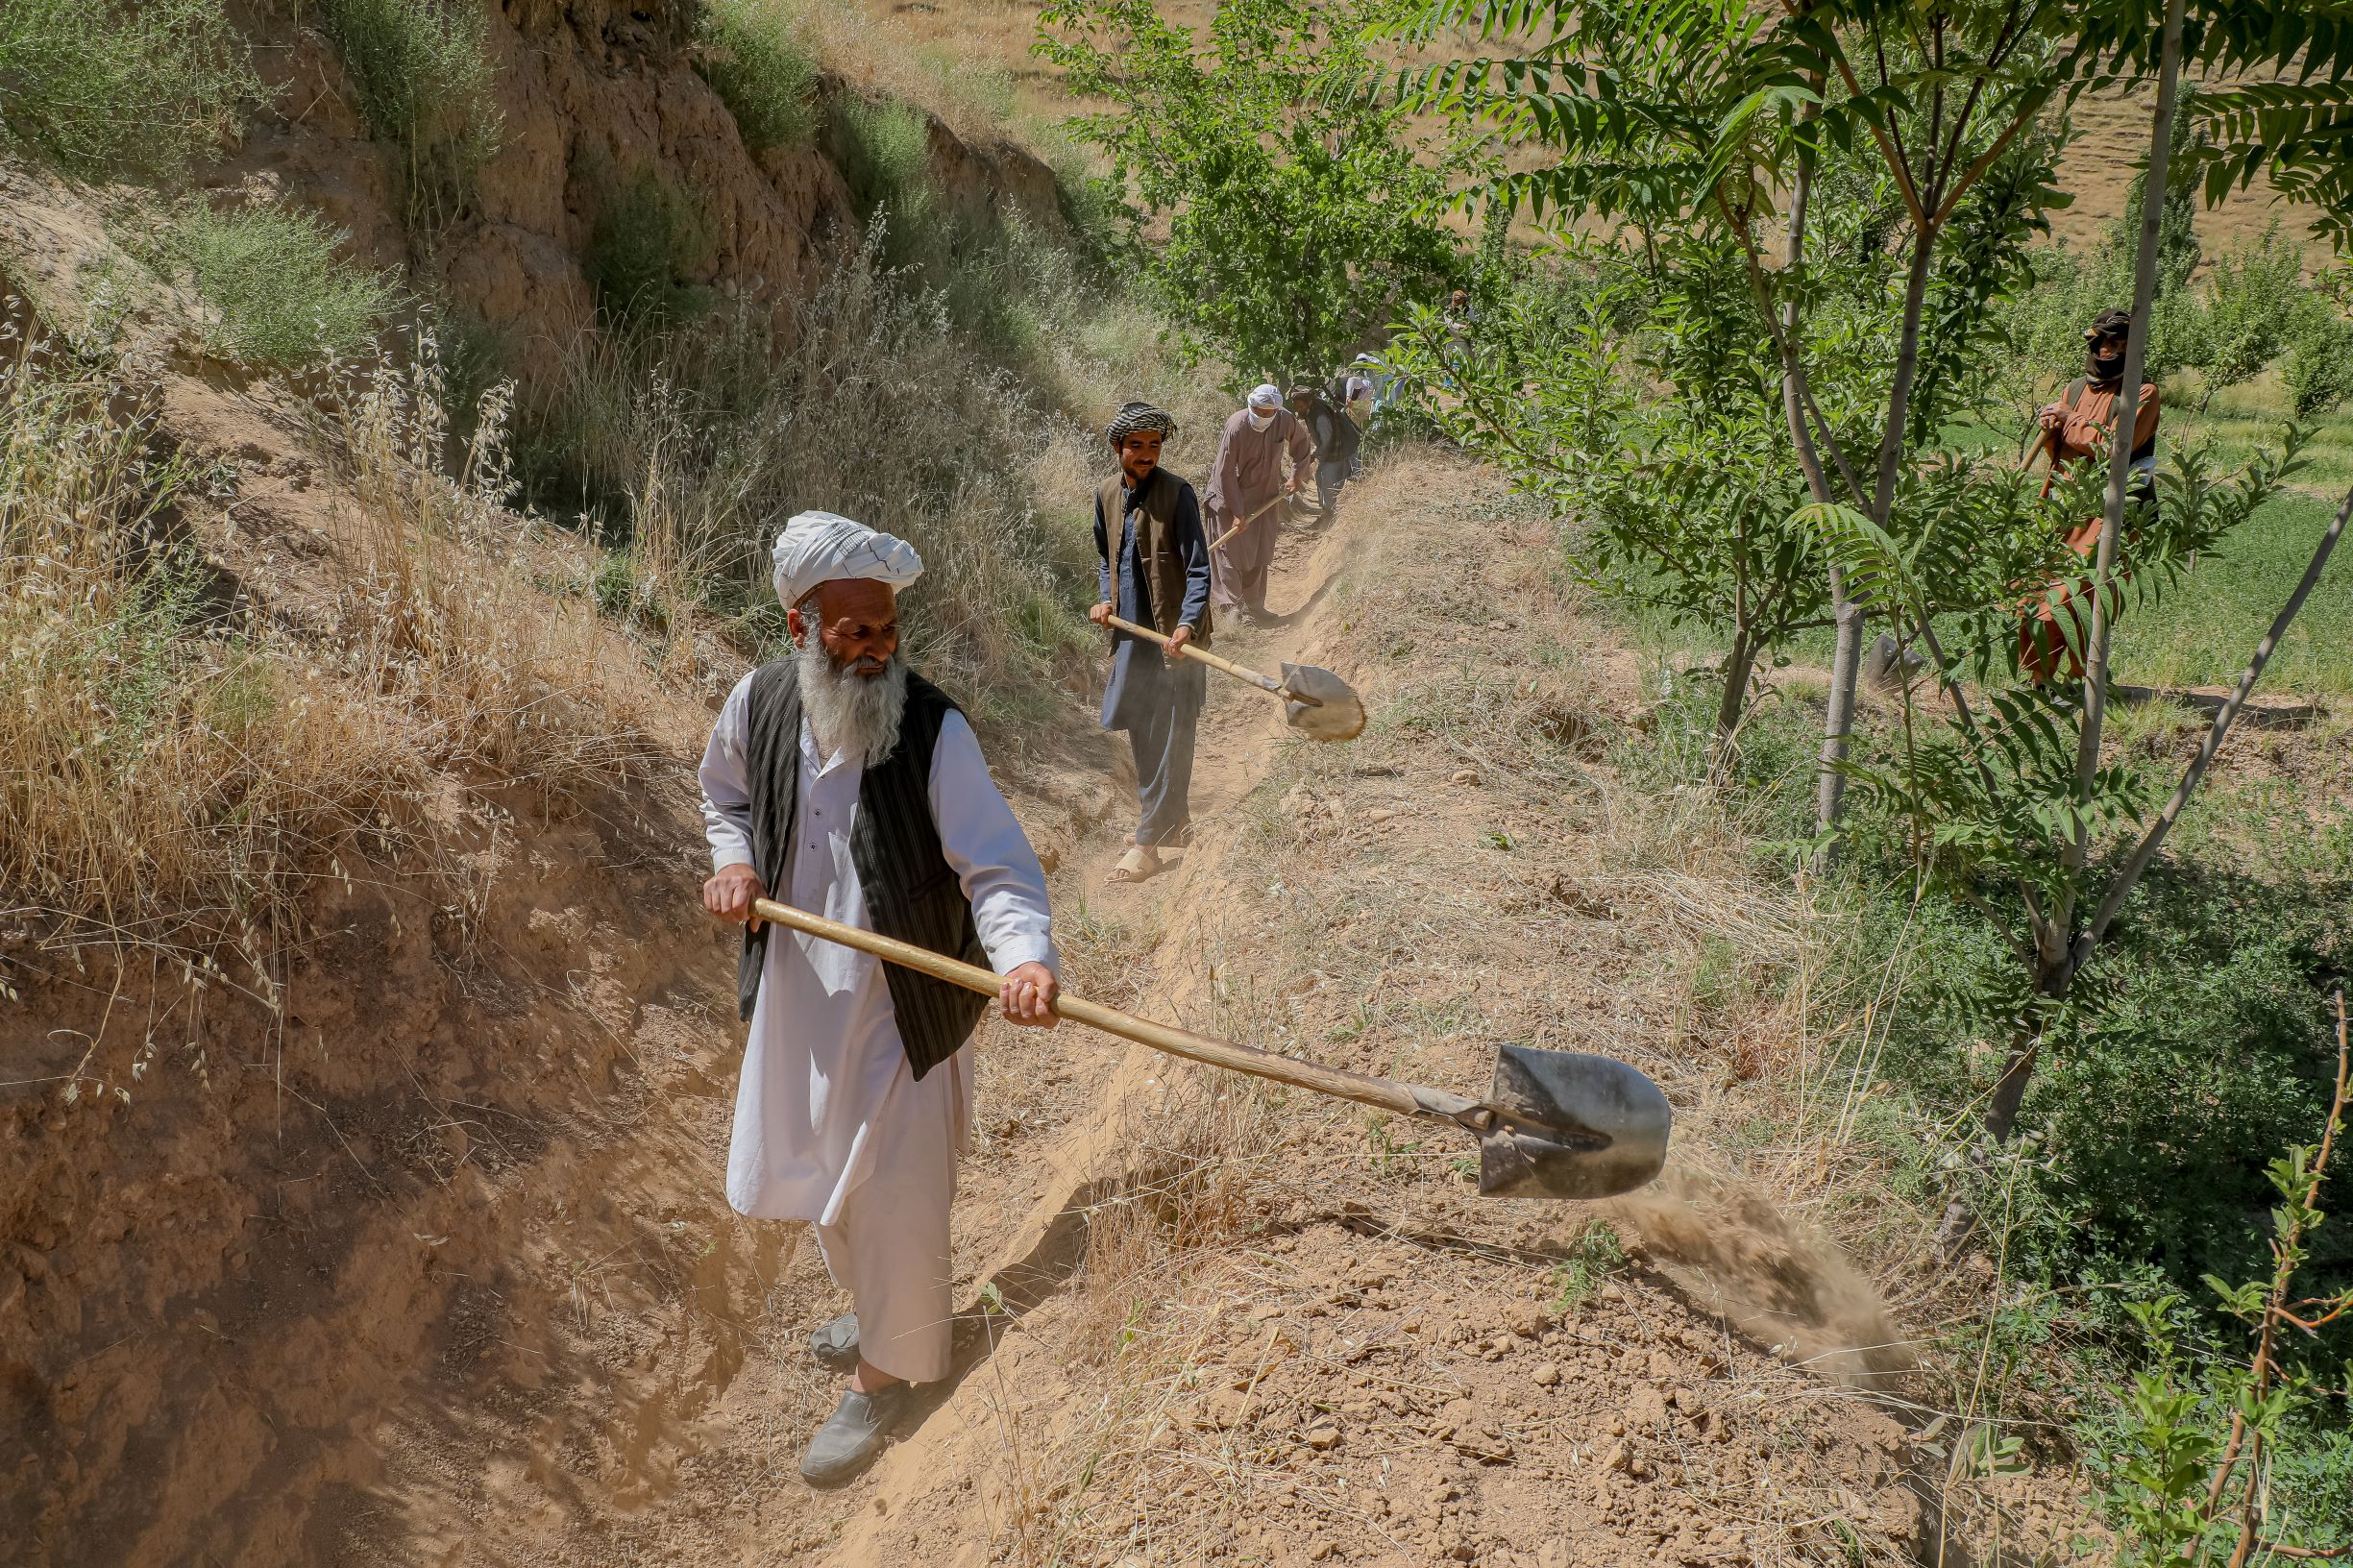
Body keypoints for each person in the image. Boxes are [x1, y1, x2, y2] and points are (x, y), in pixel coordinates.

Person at [698, 510, 1061, 1487]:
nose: (877, 649)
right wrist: (732, 865)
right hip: (797, 997)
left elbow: (998, 869)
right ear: (799, 628)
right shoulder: (758, 703)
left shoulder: (934, 728)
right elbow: (722, 800)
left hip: (900, 1003)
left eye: (888, 629)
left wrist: (1024, 958)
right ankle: (881, 1310)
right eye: (855, 631)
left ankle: (886, 1375)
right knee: (823, 1170)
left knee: (895, 1190)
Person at [1091, 402, 1213, 884]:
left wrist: (1185, 625)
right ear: (1118, 447)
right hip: (1131, 639)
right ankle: (1168, 822)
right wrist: (1105, 602)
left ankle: (1148, 843)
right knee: (1142, 729)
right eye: (1136, 445)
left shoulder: (1178, 495)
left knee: (1173, 736)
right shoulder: (1104, 496)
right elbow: (1106, 561)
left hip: (1173, 641)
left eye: (1154, 445)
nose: (1146, 454)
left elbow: (1200, 568)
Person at [2019, 307, 2163, 682]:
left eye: (2116, 343)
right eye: (2100, 342)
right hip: (2061, 505)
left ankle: (2083, 677)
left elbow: (2115, 446)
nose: (2106, 350)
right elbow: (2064, 447)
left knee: (2082, 597)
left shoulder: (2142, 393)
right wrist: (2053, 425)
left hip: (2109, 511)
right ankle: (2040, 679)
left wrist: (2070, 421)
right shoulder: (2075, 389)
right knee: (2036, 592)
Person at [1205, 383, 1314, 625]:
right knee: (1229, 553)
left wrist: (1296, 475)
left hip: (1265, 498)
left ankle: (1255, 606)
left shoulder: (1284, 420)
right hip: (1228, 498)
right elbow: (1225, 473)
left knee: (1259, 550)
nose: (1264, 416)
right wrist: (1237, 512)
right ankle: (1231, 608)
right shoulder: (1237, 426)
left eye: (1269, 412)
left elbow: (1301, 443)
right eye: (1259, 411)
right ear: (1250, 406)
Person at [1287, 382, 1360, 529]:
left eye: (1300, 406)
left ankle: (1332, 521)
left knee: (1328, 484)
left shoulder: (1319, 415)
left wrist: (1314, 455)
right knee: (1321, 479)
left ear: (1308, 402)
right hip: (1333, 451)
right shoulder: (1312, 408)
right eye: (1296, 406)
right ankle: (1326, 515)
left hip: (1339, 452)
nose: (1297, 410)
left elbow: (1327, 440)